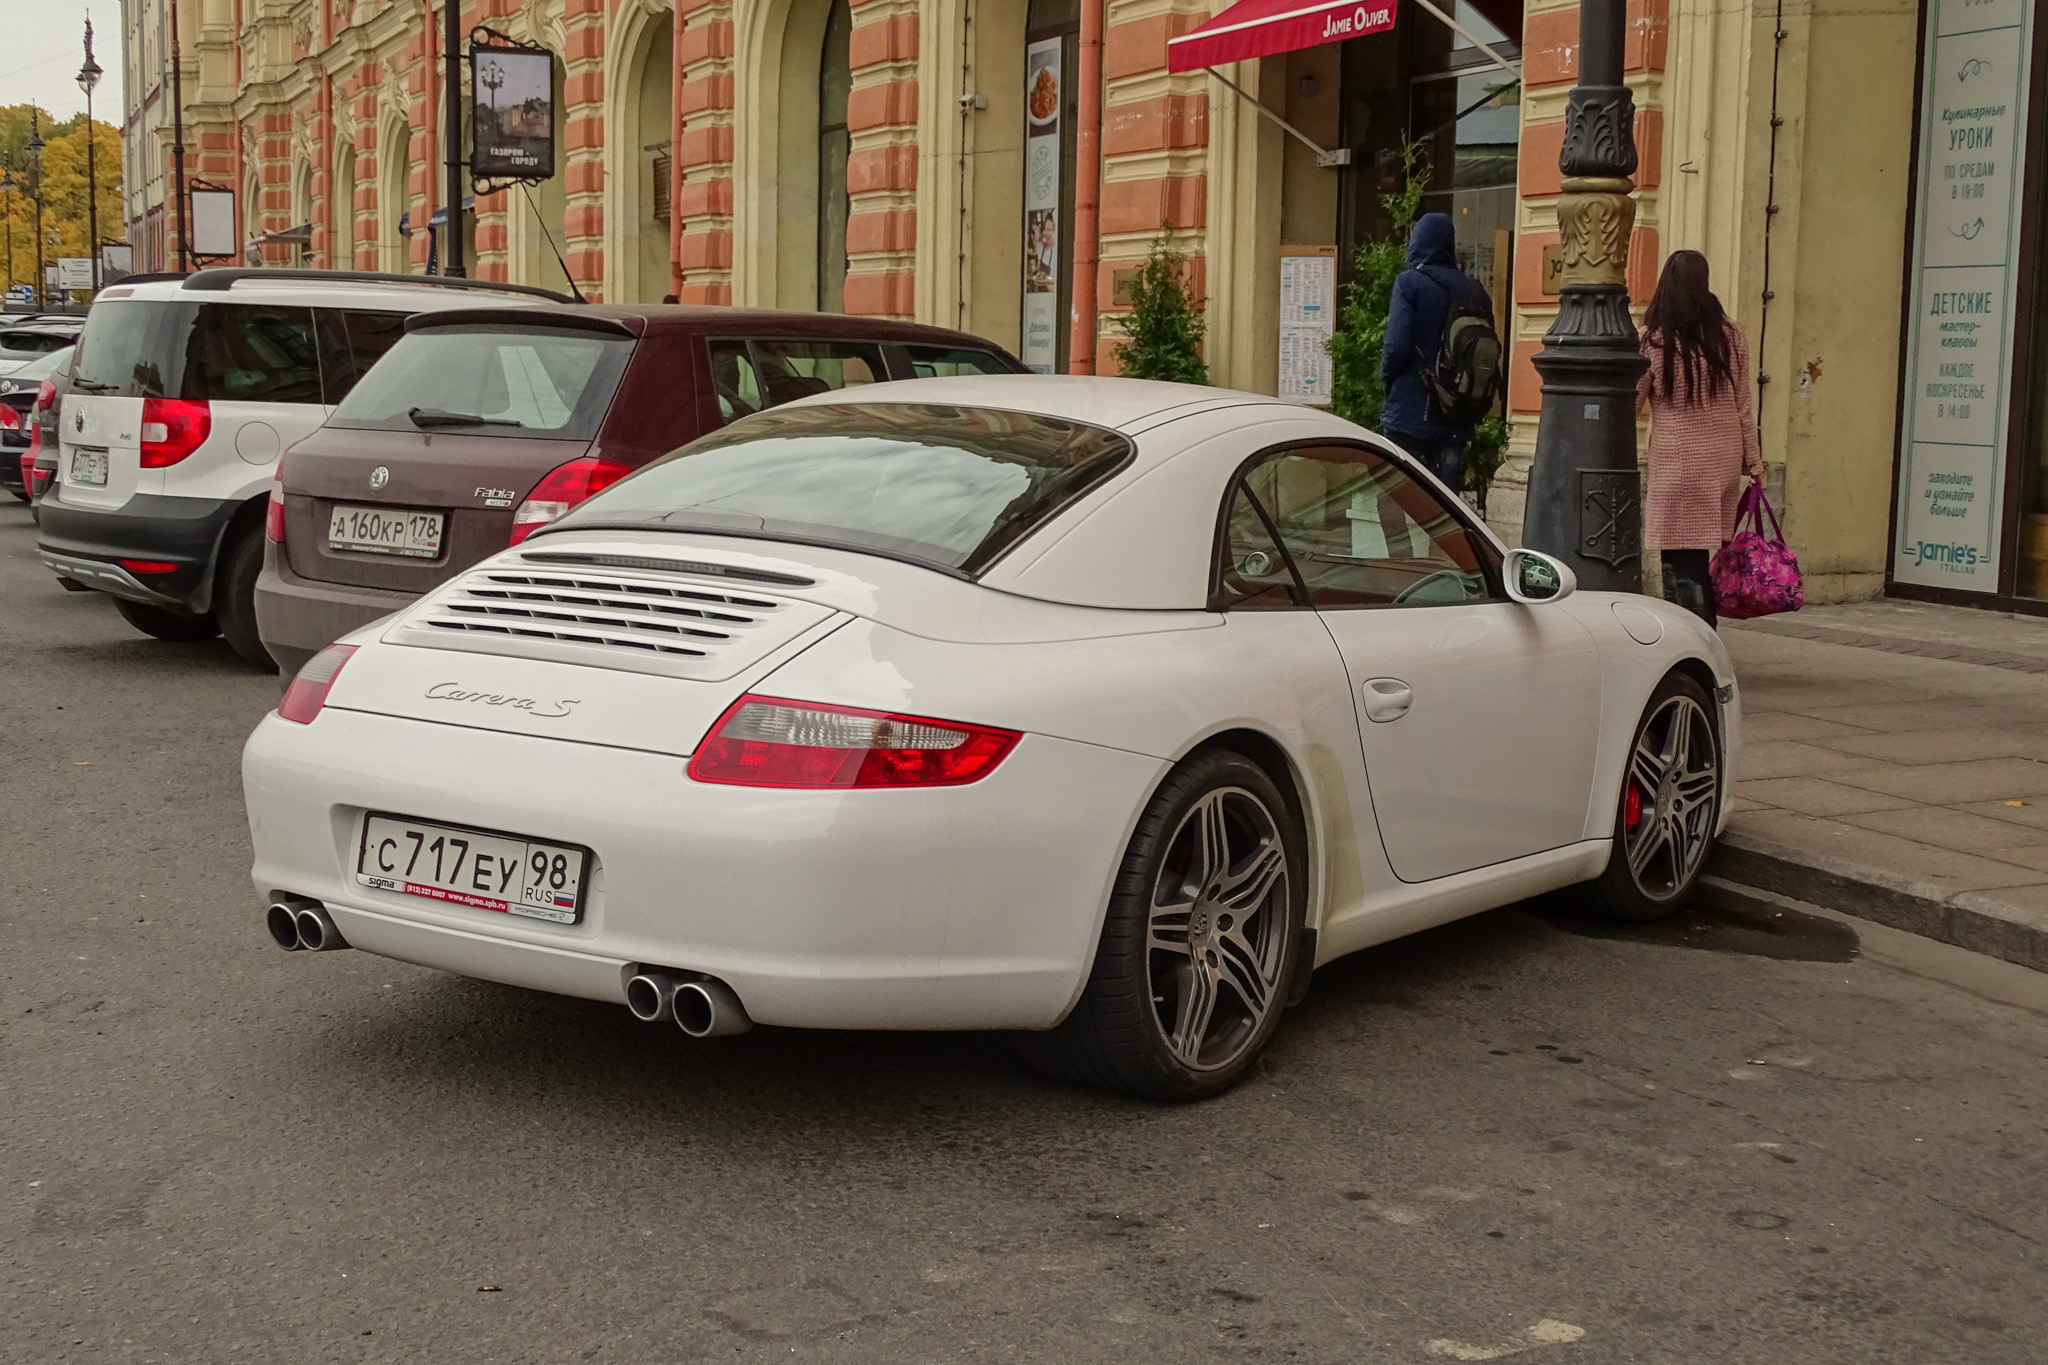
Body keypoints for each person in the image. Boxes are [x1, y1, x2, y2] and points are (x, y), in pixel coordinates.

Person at [1637, 249, 1764, 627]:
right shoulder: (1731, 336)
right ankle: (1687, 629)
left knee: (1680, 553)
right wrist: (1754, 464)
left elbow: (1631, 400)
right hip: (1722, 458)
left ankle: (1697, 632)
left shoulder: (1653, 340)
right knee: (1691, 549)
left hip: (1678, 458)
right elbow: (1744, 404)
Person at [1380, 212, 1494, 491]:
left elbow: (1396, 345)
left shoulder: (1410, 283)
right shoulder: (1475, 291)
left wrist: (1385, 377)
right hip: (1458, 411)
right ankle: (1442, 538)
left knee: (1392, 494)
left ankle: (1400, 539)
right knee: (1446, 504)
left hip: (1409, 411)